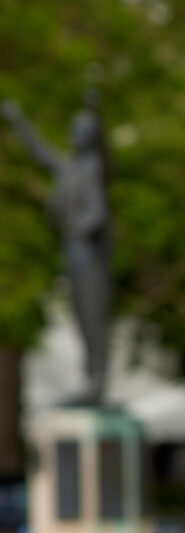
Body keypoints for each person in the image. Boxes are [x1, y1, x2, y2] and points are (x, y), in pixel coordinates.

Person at [3, 94, 113, 406]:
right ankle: (91, 382)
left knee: (94, 320)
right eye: (75, 129)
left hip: (90, 255)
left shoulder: (94, 167)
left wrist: (95, 108)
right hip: (73, 253)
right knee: (79, 319)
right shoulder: (69, 167)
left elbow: (105, 158)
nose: (76, 135)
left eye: (84, 130)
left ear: (92, 136)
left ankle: (98, 385)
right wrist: (18, 119)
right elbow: (39, 151)